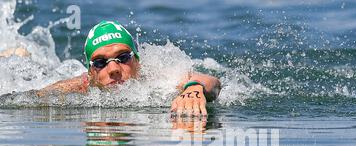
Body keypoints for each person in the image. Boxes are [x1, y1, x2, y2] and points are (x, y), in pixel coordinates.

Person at [37, 20, 221, 116]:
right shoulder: (78, 88)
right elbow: (28, 98)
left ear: (137, 62)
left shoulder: (154, 77)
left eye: (123, 57)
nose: (114, 69)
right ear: (90, 73)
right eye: (100, 63)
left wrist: (194, 88)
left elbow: (212, 82)